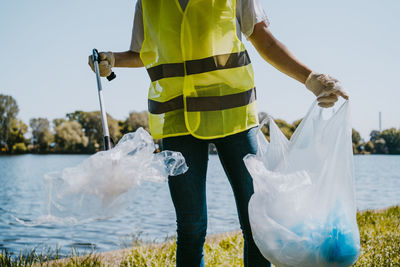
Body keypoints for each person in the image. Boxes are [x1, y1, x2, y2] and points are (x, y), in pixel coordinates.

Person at [89, 0, 348, 266]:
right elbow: (144, 52)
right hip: (178, 120)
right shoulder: (149, 3)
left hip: (234, 116)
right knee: (190, 226)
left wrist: (310, 78)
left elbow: (264, 41)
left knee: (256, 222)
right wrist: (113, 59)